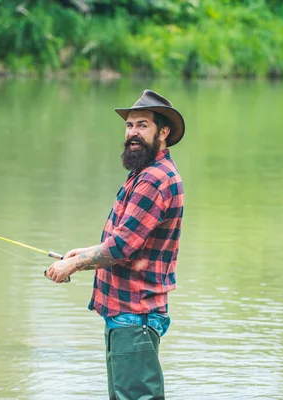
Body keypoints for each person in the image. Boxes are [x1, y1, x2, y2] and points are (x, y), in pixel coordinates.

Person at [46, 89, 185, 399]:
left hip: (135, 314)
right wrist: (82, 252)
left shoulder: (154, 179)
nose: (132, 133)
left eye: (142, 125)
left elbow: (122, 246)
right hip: (128, 314)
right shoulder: (144, 172)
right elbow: (129, 237)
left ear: (163, 132)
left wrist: (73, 264)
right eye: (129, 125)